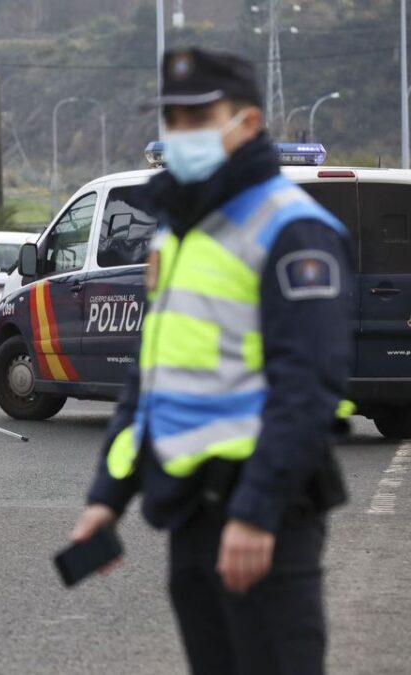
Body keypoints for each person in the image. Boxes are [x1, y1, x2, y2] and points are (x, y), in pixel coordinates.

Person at [69, 48, 350, 675]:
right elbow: (152, 379)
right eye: (173, 119)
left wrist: (257, 512)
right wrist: (107, 498)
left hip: (265, 516)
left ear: (247, 123)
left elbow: (308, 387)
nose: (183, 133)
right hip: (189, 512)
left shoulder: (293, 228)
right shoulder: (179, 232)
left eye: (200, 117)